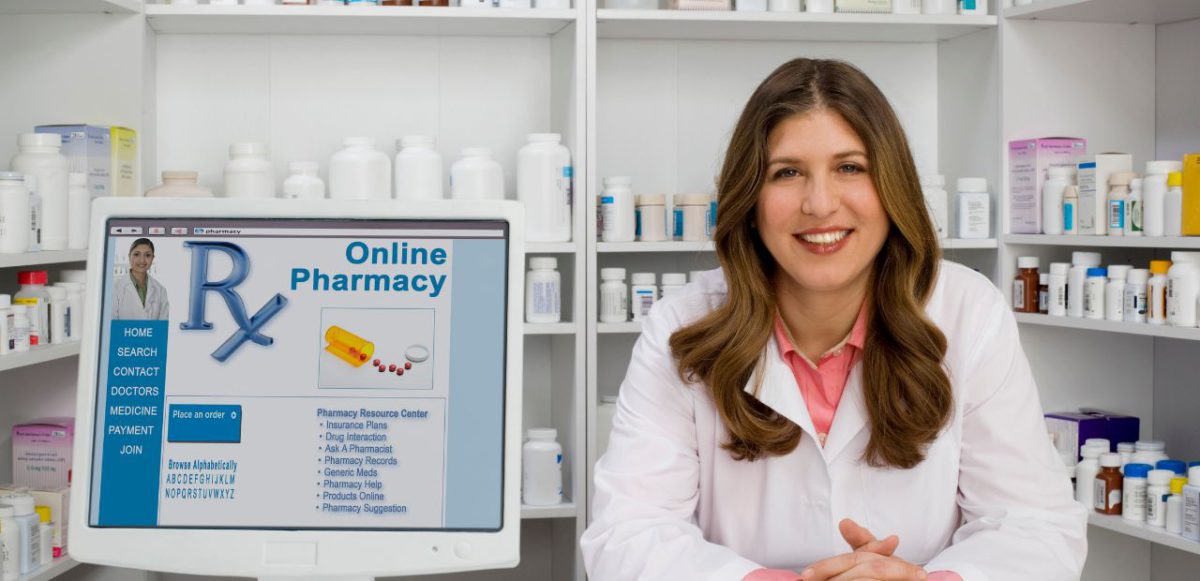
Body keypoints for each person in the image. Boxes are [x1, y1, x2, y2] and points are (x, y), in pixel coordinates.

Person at [580, 59, 1087, 581]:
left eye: (850, 167)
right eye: (787, 172)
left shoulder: (966, 313)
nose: (820, 204)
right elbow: (627, 534)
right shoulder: (680, 325)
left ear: (893, 189)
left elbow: (1036, 527)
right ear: (750, 200)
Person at [113, 237, 169, 320]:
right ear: (129, 256)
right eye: (136, 254)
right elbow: (111, 326)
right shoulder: (116, 288)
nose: (142, 260)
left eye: (147, 255)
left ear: (152, 258)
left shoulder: (160, 290)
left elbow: (163, 327)